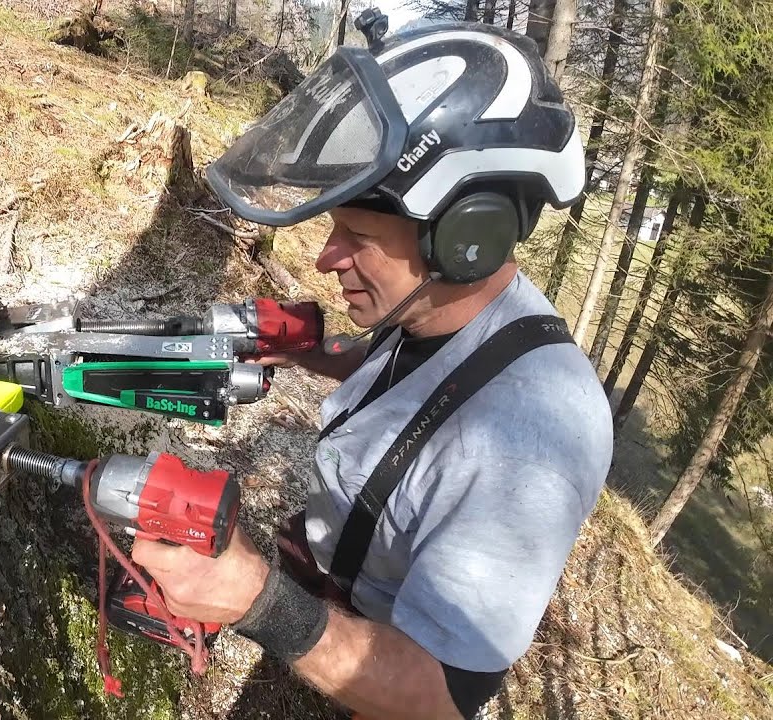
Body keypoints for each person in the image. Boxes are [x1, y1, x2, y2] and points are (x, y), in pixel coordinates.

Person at [132, 19, 614, 720]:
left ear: (467, 239)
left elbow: (440, 696)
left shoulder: (527, 445)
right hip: (342, 577)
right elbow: (427, 383)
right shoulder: (441, 310)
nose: (326, 259)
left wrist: (257, 600)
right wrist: (314, 355)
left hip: (391, 674)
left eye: (357, 236)